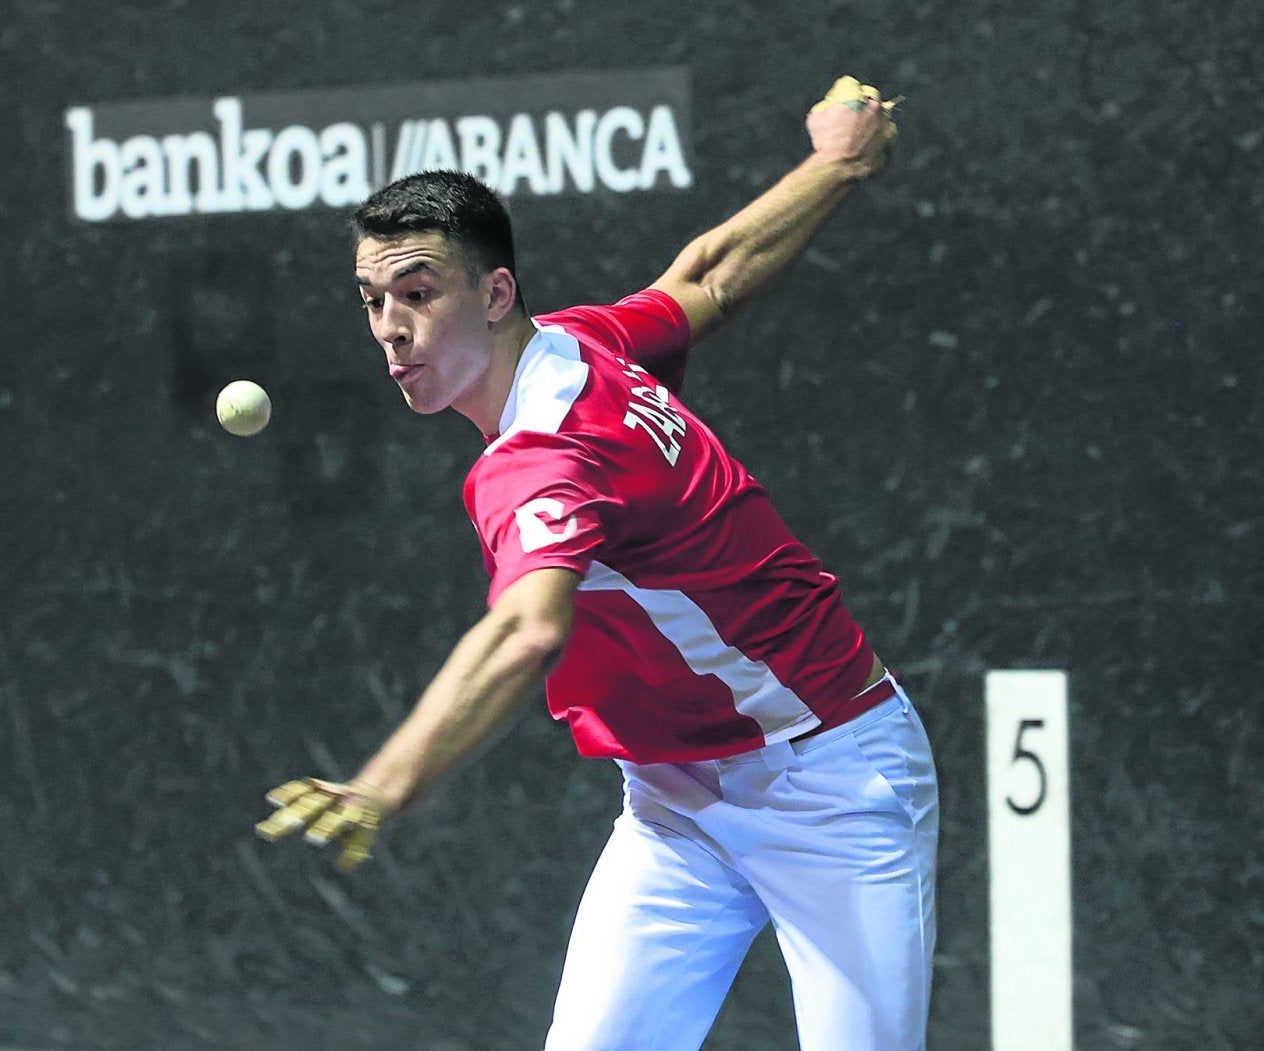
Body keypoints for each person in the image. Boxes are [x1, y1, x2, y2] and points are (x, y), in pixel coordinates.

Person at [257, 77, 937, 1050]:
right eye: (372, 300)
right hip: (674, 804)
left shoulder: (540, 451)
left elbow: (528, 625)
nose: (390, 328)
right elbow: (706, 278)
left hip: (829, 781)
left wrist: (384, 783)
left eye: (416, 293)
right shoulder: (576, 342)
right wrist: (833, 165)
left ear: (494, 293)